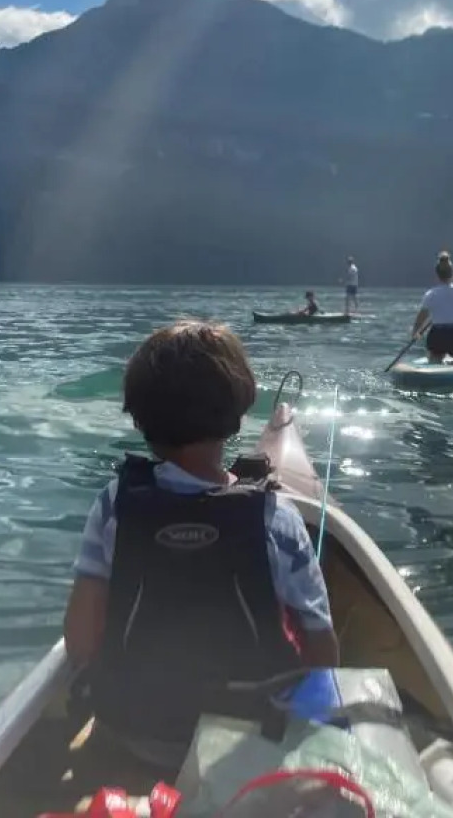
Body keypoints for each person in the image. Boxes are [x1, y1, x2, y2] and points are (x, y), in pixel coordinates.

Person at [63, 320, 340, 763]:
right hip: (247, 742)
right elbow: (322, 653)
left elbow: (80, 639)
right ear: (236, 412)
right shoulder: (278, 520)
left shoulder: (114, 505)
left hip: (134, 732)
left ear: (140, 417)